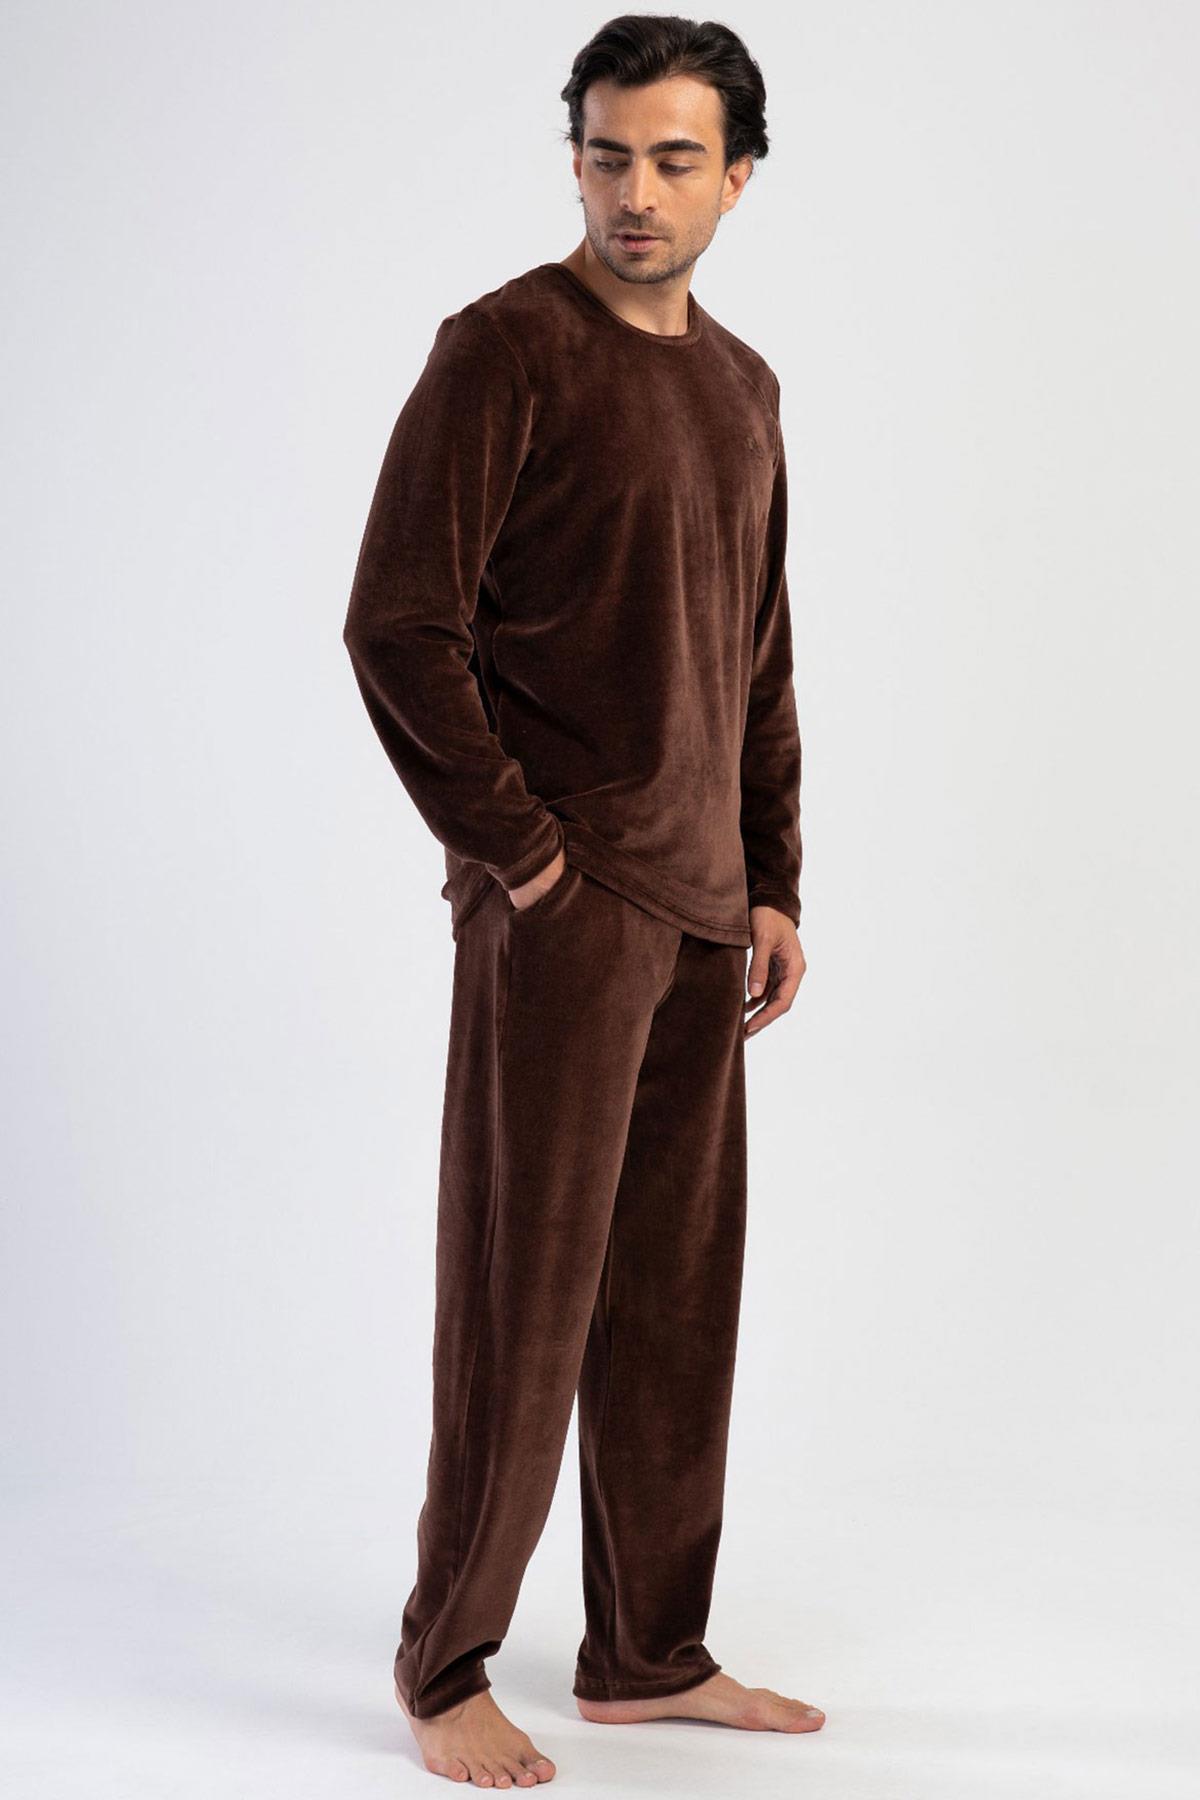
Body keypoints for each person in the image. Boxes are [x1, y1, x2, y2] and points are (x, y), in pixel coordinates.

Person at [342, 14, 823, 1788]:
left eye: (675, 158)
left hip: (703, 913)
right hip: (566, 909)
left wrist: (772, 878)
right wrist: (523, 855)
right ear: (575, 160)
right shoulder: (505, 352)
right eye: (609, 154)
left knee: (677, 1304)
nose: (636, 191)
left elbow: (757, 655)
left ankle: (645, 1654)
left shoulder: (745, 387)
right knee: (522, 1295)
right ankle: (445, 1662)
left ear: (738, 177)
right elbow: (399, 624)